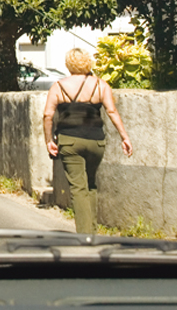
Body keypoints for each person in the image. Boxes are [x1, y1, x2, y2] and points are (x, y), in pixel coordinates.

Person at [43, 48, 133, 234]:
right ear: (88, 63)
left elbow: (48, 115)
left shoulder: (58, 86)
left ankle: (86, 235)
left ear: (68, 65)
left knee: (78, 188)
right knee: (91, 184)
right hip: (96, 141)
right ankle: (92, 230)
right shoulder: (101, 85)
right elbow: (112, 112)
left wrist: (48, 139)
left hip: (70, 141)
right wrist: (124, 136)